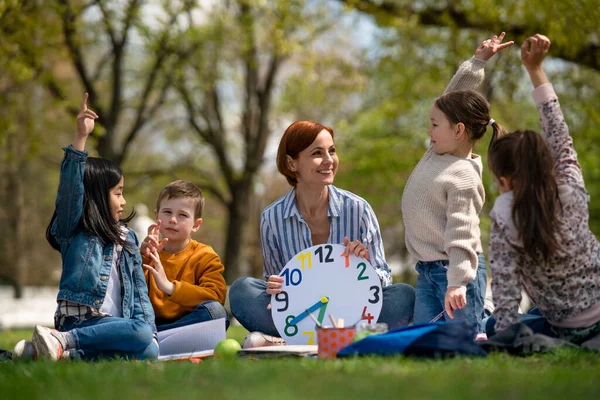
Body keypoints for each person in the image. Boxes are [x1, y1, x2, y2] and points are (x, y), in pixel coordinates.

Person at [229, 120, 416, 348]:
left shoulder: (358, 210)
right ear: (292, 163)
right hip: (302, 313)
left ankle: (283, 342)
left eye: (332, 151)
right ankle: (341, 340)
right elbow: (275, 283)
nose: (329, 161)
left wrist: (366, 266)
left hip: (353, 309)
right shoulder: (272, 217)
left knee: (403, 296)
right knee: (241, 291)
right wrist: (274, 285)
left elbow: (384, 278)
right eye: (317, 153)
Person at [14, 94, 158, 361]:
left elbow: (139, 294)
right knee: (140, 334)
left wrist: (151, 334)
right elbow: (69, 191)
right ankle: (64, 339)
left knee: (148, 345)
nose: (123, 201)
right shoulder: (76, 228)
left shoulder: (128, 239)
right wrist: (80, 139)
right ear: (96, 195)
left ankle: (59, 354)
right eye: (118, 193)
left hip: (116, 327)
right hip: (79, 322)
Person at [485, 34, 600, 349]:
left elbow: (507, 298)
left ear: (505, 179)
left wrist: (507, 336)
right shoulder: (570, 186)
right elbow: (558, 131)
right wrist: (535, 68)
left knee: (497, 323)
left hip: (562, 326)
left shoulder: (505, 218)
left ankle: (560, 344)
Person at [402, 33, 513, 335]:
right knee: (426, 343)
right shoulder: (435, 151)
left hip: (455, 275)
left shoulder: (463, 175)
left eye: (435, 125)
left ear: (459, 130)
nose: (430, 130)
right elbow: (451, 99)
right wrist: (478, 62)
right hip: (427, 272)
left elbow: (463, 233)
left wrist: (457, 282)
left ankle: (488, 318)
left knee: (462, 342)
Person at [140, 180, 229, 332]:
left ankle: (158, 342)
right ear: (156, 216)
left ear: (196, 224)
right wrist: (142, 257)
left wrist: (170, 287)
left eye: (182, 215)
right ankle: (162, 341)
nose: (173, 219)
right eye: (167, 212)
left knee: (216, 312)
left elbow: (216, 296)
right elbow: (131, 297)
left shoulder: (205, 255)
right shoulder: (147, 252)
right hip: (151, 324)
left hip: (189, 322)